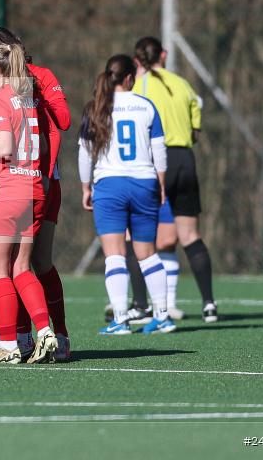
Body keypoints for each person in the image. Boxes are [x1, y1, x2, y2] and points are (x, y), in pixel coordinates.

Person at [0, 38, 58, 364]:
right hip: (32, 190)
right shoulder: (27, 99)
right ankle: (45, 331)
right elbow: (42, 148)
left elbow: (3, 147)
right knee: (21, 267)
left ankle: (8, 345)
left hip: (3, 193)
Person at [0, 27, 73, 360]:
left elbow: (62, 119)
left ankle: (56, 335)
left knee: (35, 262)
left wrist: (40, 93)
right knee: (12, 265)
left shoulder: (36, 78)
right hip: (25, 182)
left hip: (37, 180)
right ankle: (24, 336)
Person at [78, 54, 175, 335]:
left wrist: (86, 187)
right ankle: (163, 316)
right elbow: (159, 150)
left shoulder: (96, 107)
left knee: (115, 255)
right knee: (147, 253)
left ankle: (120, 319)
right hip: (145, 183)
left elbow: (84, 154)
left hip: (110, 186)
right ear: (130, 78)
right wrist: (161, 184)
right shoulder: (146, 106)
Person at [133, 36, 217, 322]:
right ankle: (209, 304)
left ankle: (141, 305)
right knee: (190, 235)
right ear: (164, 55)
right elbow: (196, 128)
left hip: (157, 162)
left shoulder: (138, 86)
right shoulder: (183, 85)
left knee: (138, 234)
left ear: (136, 61)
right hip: (186, 160)